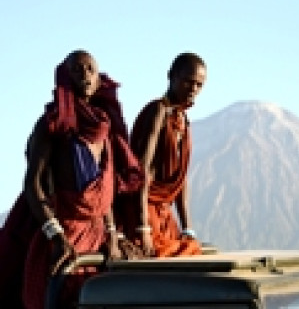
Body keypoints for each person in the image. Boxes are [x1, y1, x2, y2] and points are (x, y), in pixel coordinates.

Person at [0, 50, 143, 309]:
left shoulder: (104, 129)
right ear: (65, 78)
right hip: (64, 238)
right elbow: (33, 184)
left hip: (98, 239)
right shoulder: (52, 126)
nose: (85, 75)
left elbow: (104, 193)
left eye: (90, 69)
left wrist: (112, 234)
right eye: (77, 70)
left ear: (100, 79)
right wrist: (56, 237)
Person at [121, 52, 207, 257]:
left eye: (199, 85)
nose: (193, 90)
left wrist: (188, 228)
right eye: (188, 82)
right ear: (171, 76)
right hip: (144, 209)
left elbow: (180, 179)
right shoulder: (158, 111)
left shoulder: (183, 120)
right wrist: (143, 228)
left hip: (164, 214)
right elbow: (142, 171)